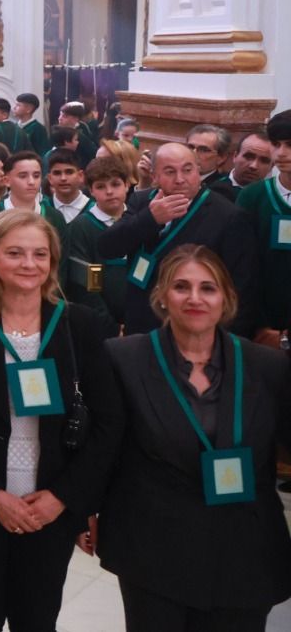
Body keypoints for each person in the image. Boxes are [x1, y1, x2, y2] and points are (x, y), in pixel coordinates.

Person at [92, 245, 291, 629]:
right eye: (181, 287)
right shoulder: (124, 358)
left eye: (208, 288)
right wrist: (88, 510)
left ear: (226, 299)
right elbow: (103, 448)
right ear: (163, 297)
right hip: (153, 548)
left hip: (244, 550)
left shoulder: (267, 366)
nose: (195, 298)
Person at [0, 209, 117, 632]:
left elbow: (110, 423)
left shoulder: (79, 324)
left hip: (49, 508)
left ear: (53, 262)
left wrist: (64, 498)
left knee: (37, 620)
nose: (29, 264)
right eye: (15, 253)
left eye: (40, 254)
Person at [98, 142, 259, 335]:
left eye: (187, 170)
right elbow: (107, 246)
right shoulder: (142, 202)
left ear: (198, 171)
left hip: (192, 327)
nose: (180, 179)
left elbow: (240, 289)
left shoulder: (227, 216)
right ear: (155, 176)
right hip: (141, 323)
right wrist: (150, 219)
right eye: (169, 172)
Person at [235, 110, 291, 350]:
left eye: (290, 144)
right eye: (276, 144)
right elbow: (242, 267)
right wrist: (258, 326)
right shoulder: (252, 197)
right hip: (259, 331)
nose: (281, 153)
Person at [62, 156, 132, 337]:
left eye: (115, 184)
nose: (109, 191)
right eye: (101, 186)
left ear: (127, 185)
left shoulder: (138, 221)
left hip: (138, 319)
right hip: (101, 325)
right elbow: (85, 286)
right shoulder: (81, 227)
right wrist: (111, 327)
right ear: (91, 191)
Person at [46, 148, 91, 225]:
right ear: (50, 178)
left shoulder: (94, 210)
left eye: (69, 172)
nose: (63, 178)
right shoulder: (42, 209)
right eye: (57, 173)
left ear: (80, 176)